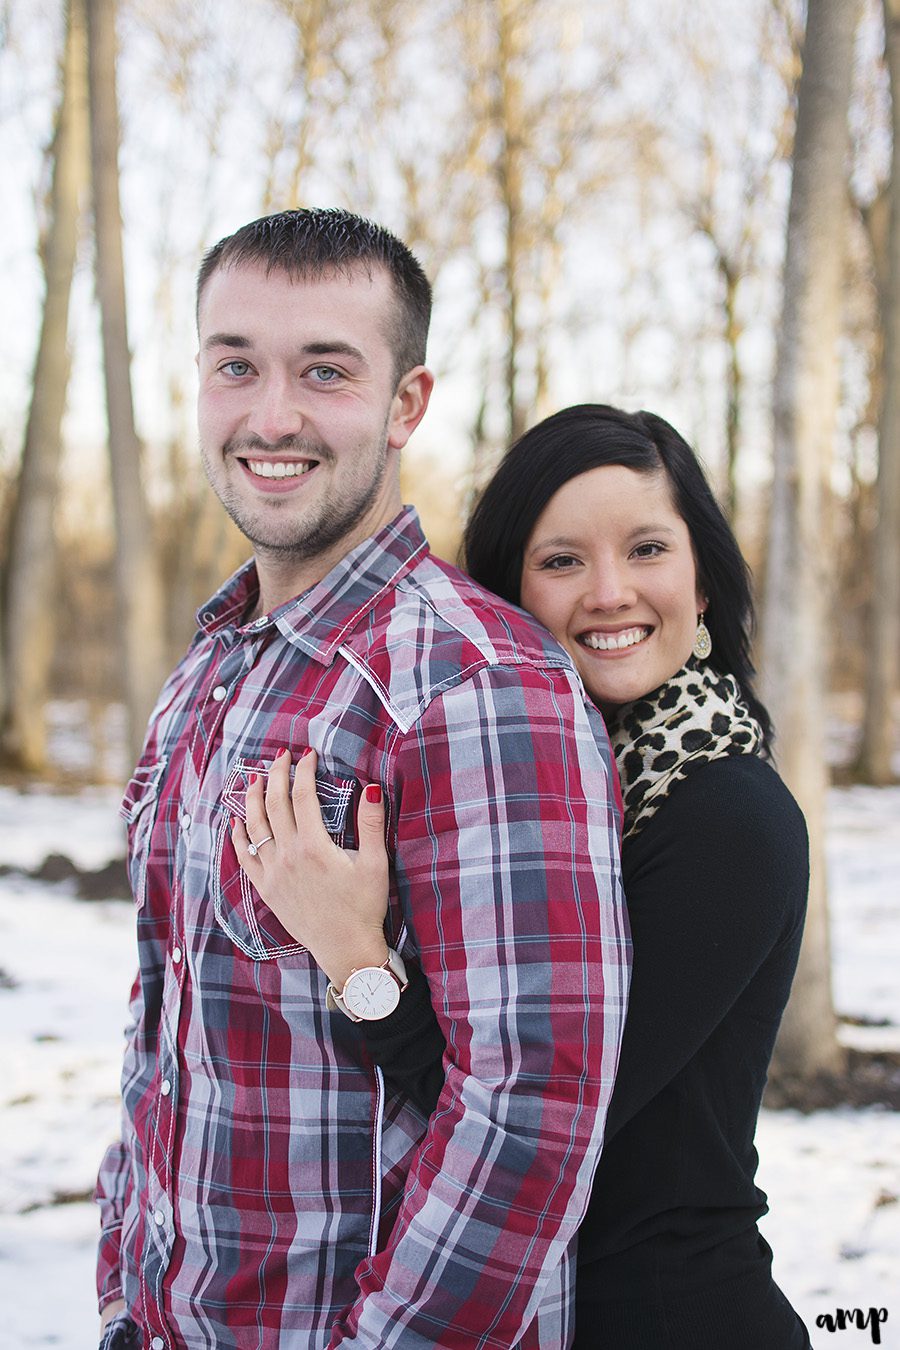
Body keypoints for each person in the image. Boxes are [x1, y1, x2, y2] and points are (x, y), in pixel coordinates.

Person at [94, 214, 631, 1349]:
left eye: (325, 372)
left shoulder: (476, 686)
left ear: (406, 405)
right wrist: (118, 1285)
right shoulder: (208, 668)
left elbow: (530, 1110)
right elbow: (166, 1022)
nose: (271, 415)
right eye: (235, 363)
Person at [243, 404, 811, 1349]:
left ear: (702, 581)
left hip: (669, 1314)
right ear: (507, 593)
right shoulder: (539, 783)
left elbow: (540, 1119)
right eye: (562, 561)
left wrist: (353, 951)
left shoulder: (728, 818)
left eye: (646, 550)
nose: (609, 592)